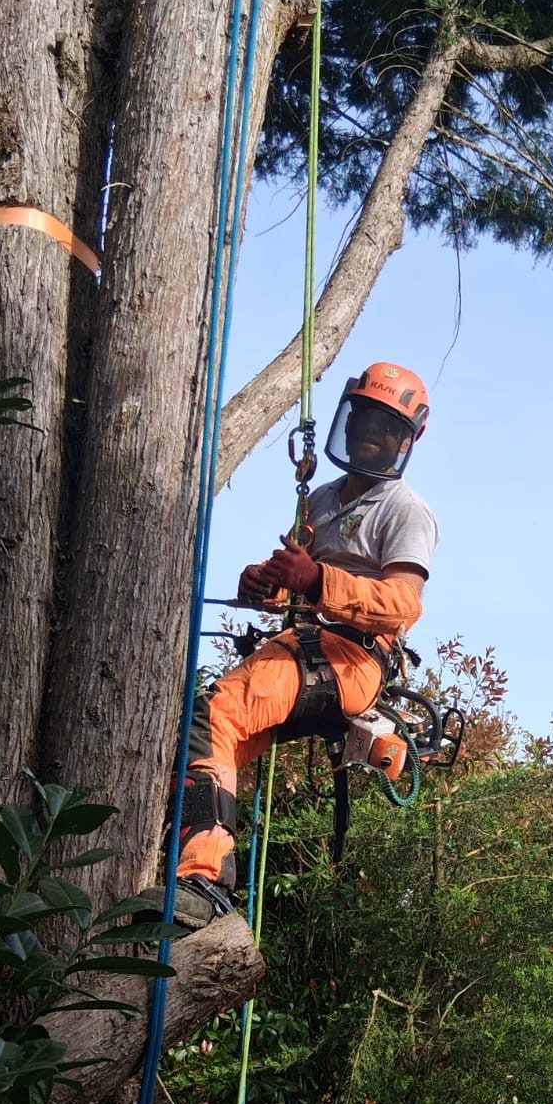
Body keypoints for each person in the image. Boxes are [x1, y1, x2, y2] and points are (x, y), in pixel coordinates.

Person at [146, 362, 438, 928]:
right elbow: (292, 576)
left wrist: (317, 582)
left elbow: (403, 605)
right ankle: (182, 862)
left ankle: (203, 884)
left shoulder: (405, 511)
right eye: (363, 421)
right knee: (207, 740)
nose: (368, 435)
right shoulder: (321, 500)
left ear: (407, 439)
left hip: (351, 656)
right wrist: (264, 580)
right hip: (304, 643)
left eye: (385, 427)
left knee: (214, 714)